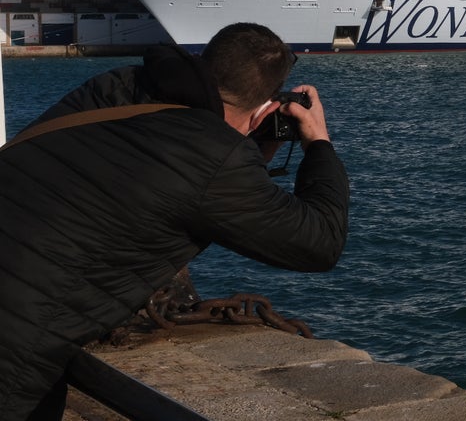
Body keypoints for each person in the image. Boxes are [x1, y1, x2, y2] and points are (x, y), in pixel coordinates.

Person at [0, 23, 350, 420]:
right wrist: (318, 142)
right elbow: (320, 243)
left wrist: (248, 152)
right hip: (15, 349)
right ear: (267, 109)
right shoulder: (214, 160)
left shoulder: (116, 86)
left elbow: (129, 178)